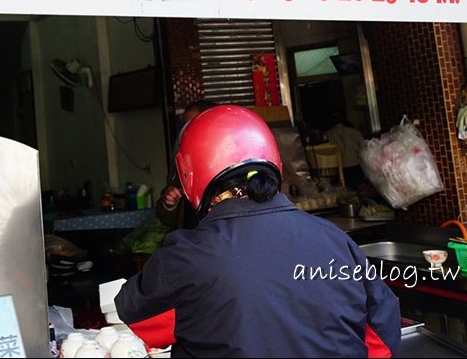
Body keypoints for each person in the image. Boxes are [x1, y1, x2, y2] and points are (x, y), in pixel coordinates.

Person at [114, 105, 401, 358]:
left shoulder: (185, 256)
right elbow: (382, 327)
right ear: (273, 165)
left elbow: (139, 318)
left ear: (189, 176)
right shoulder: (334, 238)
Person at [155, 100, 216, 231]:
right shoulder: (182, 165)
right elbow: (168, 219)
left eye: (192, 125)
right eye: (183, 126)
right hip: (191, 243)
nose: (185, 132)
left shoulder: (232, 163)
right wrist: (169, 204)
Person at [324, 108, 367, 189]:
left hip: (339, 170)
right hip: (356, 168)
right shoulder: (354, 133)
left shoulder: (328, 135)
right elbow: (364, 151)